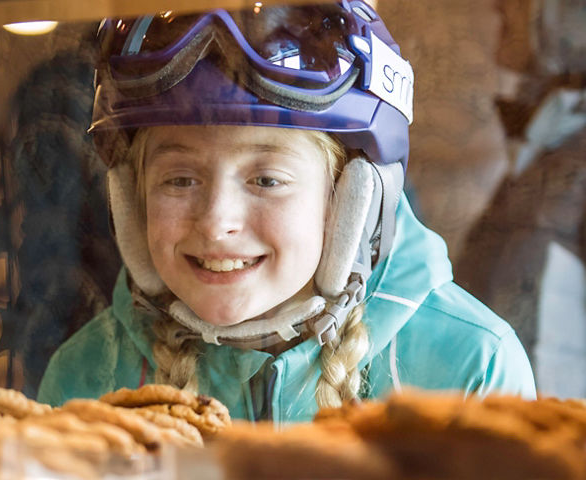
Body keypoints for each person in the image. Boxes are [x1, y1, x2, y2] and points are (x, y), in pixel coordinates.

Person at [37, 0, 536, 422]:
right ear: (130, 194)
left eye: (266, 180)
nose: (216, 222)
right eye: (180, 179)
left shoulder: (472, 366)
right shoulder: (85, 380)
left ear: (350, 198)